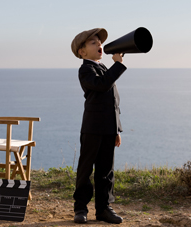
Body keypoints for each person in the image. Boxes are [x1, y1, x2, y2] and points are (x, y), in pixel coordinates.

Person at [71, 28, 127, 224]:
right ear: (82, 52)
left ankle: (104, 208)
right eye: (93, 43)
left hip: (108, 129)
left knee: (106, 171)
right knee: (86, 169)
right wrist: (118, 65)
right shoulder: (85, 70)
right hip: (92, 128)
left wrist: (116, 130)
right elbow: (102, 84)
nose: (99, 45)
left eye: (99, 42)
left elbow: (114, 102)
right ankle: (80, 208)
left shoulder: (104, 69)